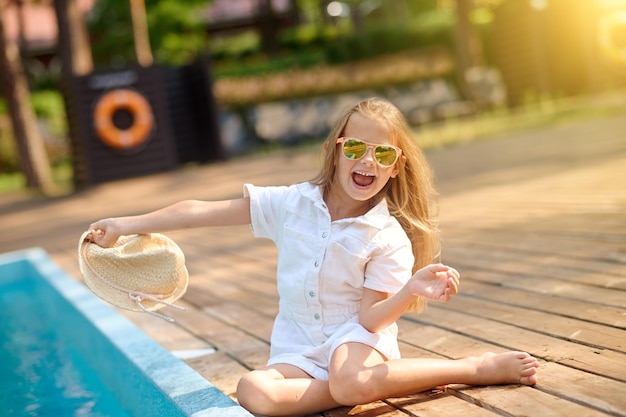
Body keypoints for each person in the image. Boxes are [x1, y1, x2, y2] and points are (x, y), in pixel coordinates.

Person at [86, 97, 539, 416]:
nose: (368, 162)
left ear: (396, 165)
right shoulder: (291, 203)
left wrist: (410, 290)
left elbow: (372, 321)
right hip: (300, 345)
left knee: (349, 377)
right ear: (335, 152)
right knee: (254, 391)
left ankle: (471, 368)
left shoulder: (386, 235)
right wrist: (126, 224)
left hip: (357, 340)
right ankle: (355, 387)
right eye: (356, 148)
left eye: (382, 153)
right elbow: (199, 212)